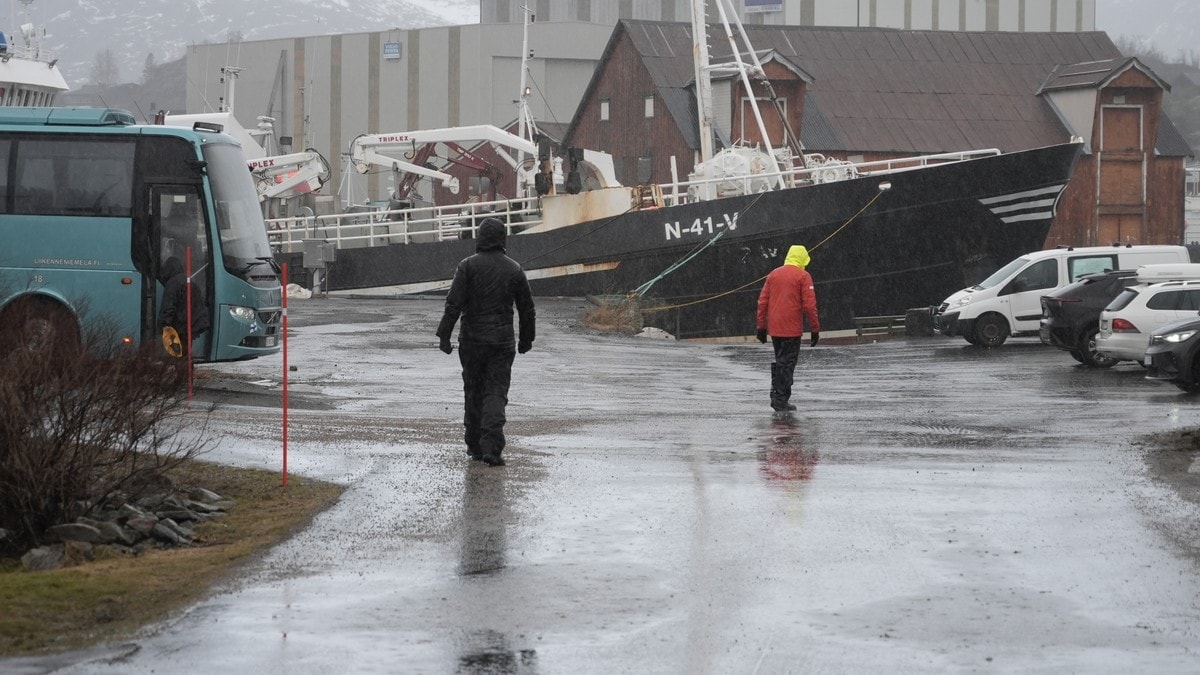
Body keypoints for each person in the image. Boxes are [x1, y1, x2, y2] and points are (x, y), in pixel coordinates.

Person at [436, 218, 536, 467]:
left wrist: (444, 335)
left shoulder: (467, 266)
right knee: (496, 392)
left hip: (471, 341)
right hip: (501, 343)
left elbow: (454, 304)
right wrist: (526, 339)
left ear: (479, 238)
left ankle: (474, 445)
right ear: (503, 239)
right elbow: (527, 309)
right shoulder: (514, 269)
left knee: (473, 391)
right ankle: (492, 446)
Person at [756, 245, 820, 412]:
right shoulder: (803, 276)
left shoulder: (773, 274)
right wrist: (815, 329)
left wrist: (761, 327)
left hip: (775, 329)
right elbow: (810, 306)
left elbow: (762, 302)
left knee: (781, 360)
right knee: (788, 363)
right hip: (791, 328)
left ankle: (777, 394)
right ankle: (780, 399)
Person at [158, 256, 210, 357]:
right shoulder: (189, 281)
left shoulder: (172, 284)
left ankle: (183, 371)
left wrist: (164, 324)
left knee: (178, 353)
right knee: (185, 352)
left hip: (181, 325)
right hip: (193, 323)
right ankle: (187, 371)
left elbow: (168, 306)